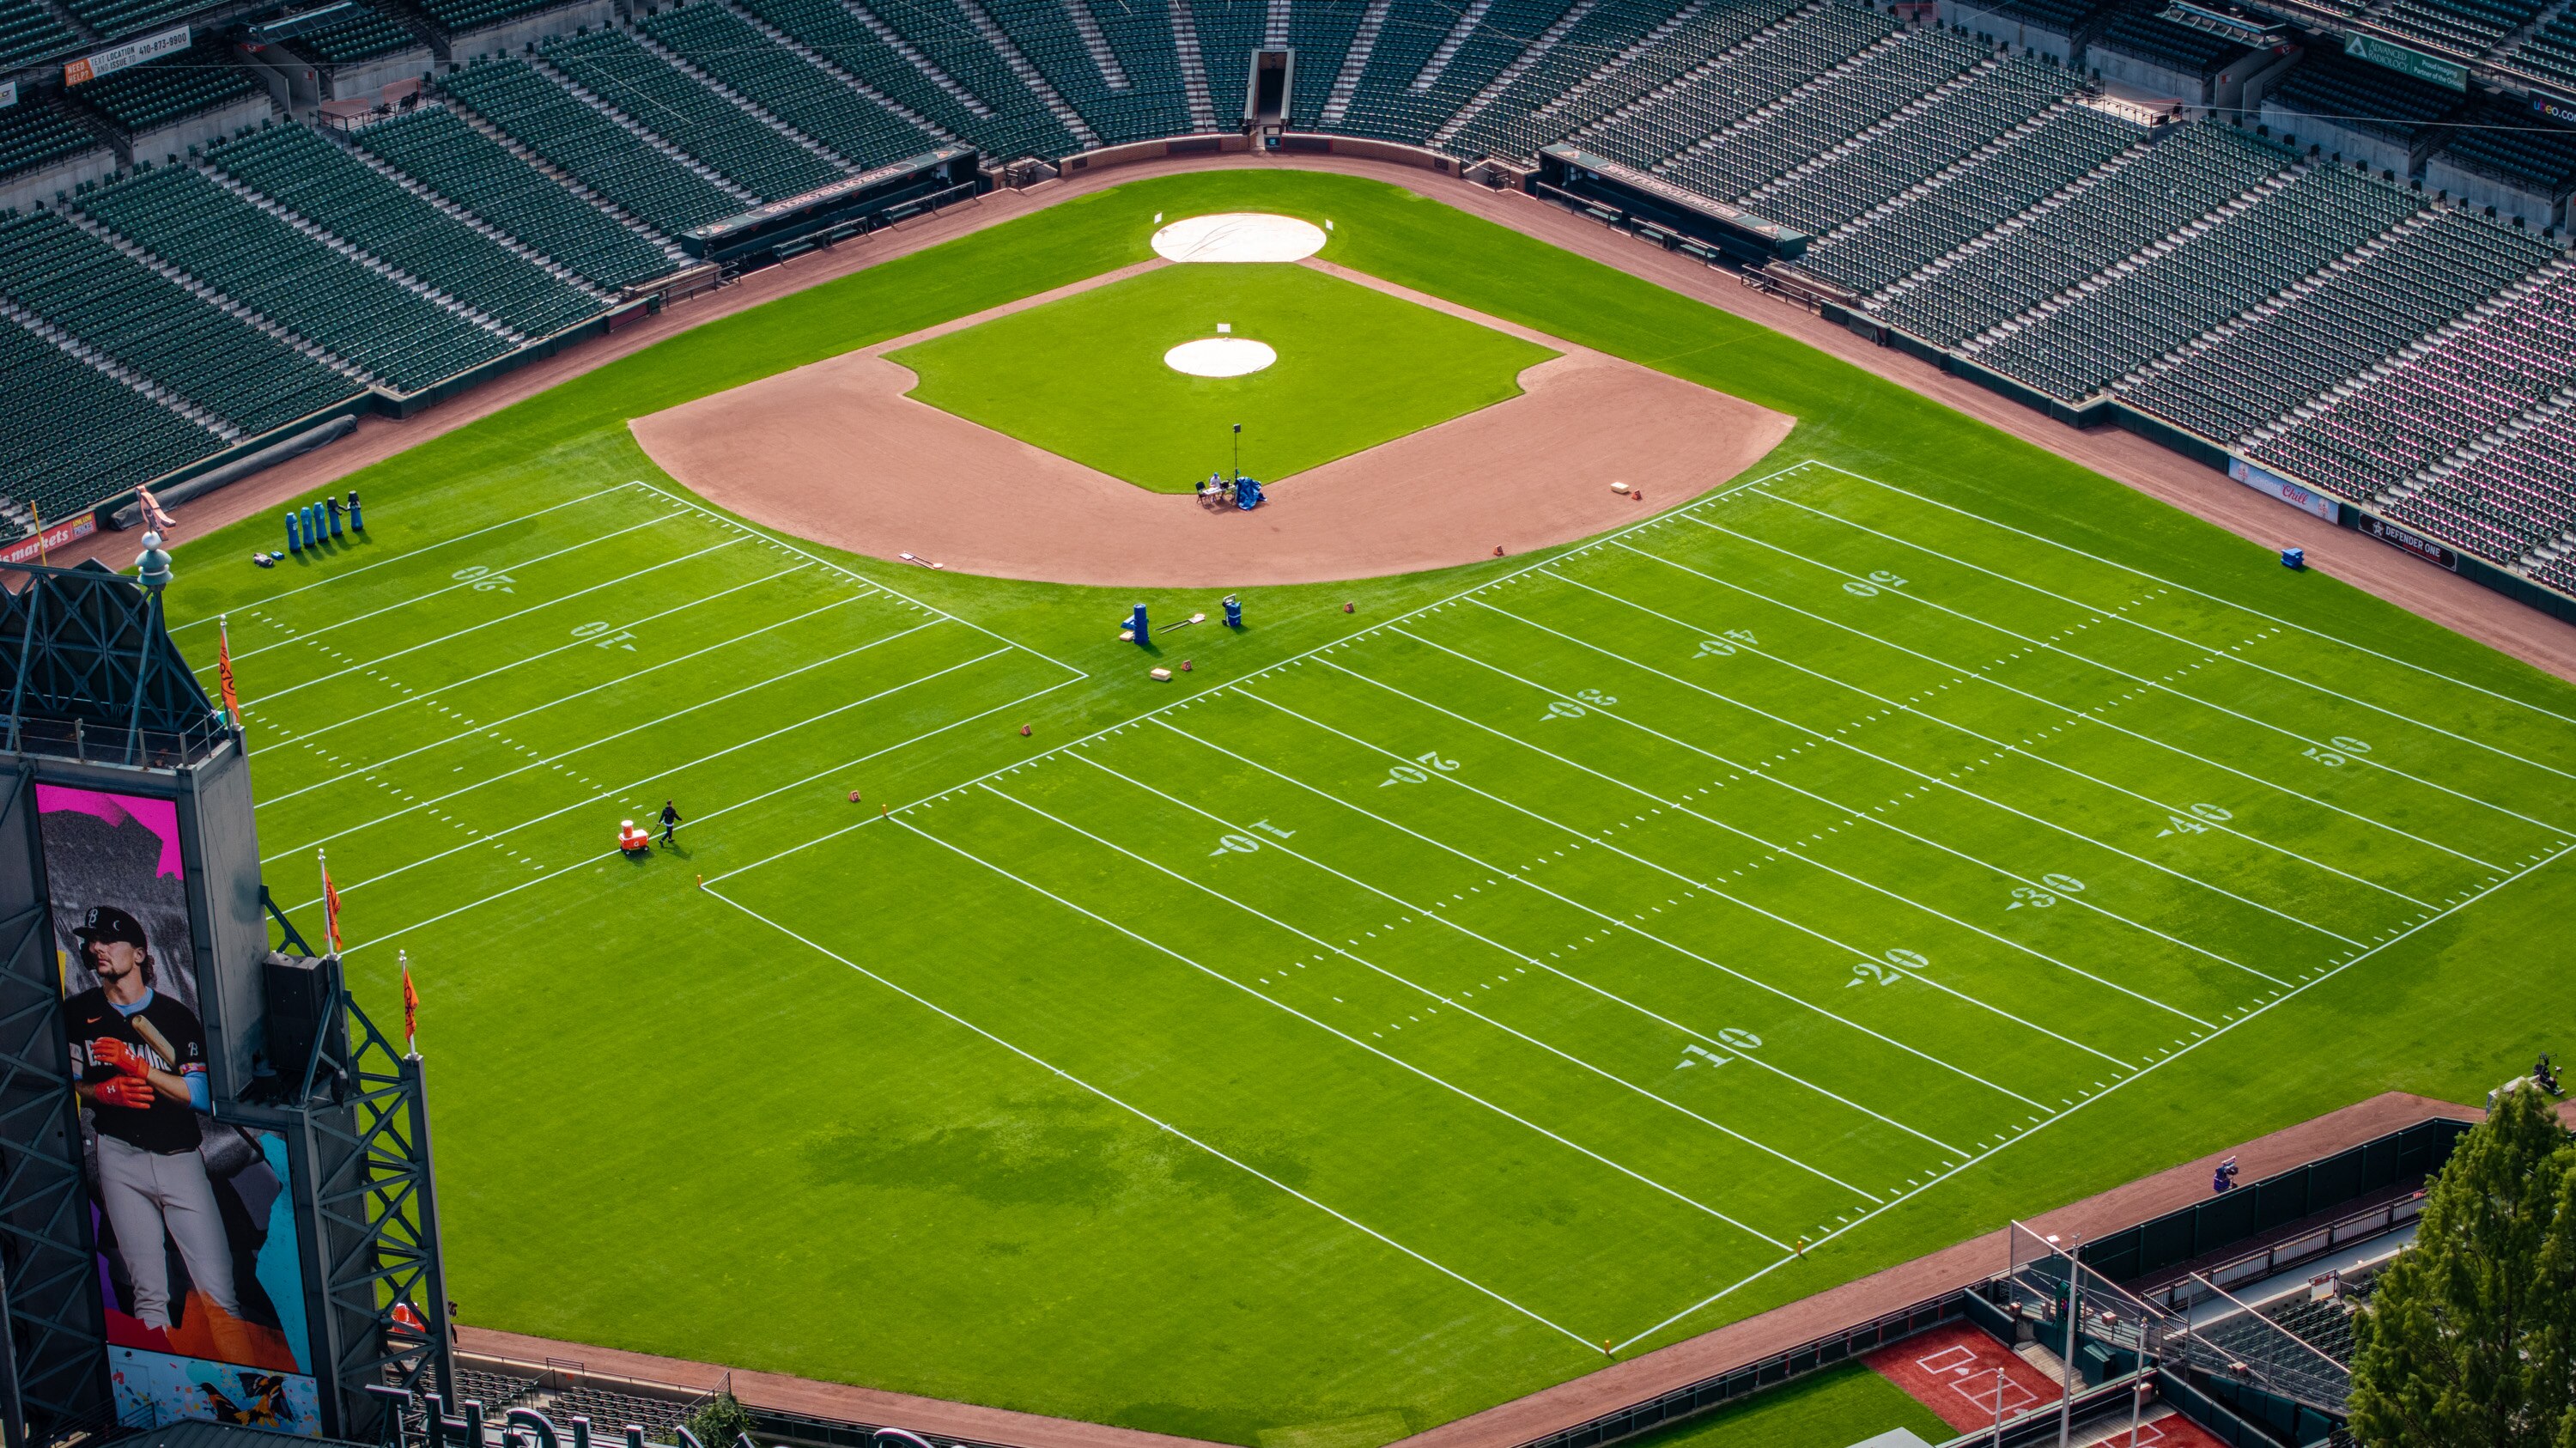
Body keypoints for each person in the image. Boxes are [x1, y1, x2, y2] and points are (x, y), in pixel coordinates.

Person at [64, 905, 249, 1355]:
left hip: (180, 1160)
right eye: (92, 941)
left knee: (220, 1298)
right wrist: (100, 1093)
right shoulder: (78, 1012)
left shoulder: (174, 1016)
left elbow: (202, 1096)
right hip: (117, 1157)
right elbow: (68, 1084)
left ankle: (256, 1396)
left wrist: (137, 1069)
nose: (97, 949)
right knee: (148, 1295)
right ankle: (166, 1405)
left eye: (108, 940)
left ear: (141, 953)